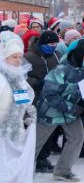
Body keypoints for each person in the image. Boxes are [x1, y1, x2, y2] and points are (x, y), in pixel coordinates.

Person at [35, 39, 84, 182]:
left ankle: (63, 170)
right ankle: (17, 173)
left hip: (71, 112)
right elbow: (49, 94)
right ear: (80, 55)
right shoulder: (61, 70)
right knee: (35, 143)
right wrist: (70, 108)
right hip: (51, 112)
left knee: (77, 137)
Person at [0, 32, 37, 183]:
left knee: (16, 162)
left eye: (19, 56)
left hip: (17, 129)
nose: (17, 60)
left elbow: (25, 98)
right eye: (13, 57)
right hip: (2, 128)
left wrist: (27, 112)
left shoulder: (19, 77)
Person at [24, 30, 61, 172]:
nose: (53, 47)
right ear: (43, 43)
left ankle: (43, 158)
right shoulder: (29, 56)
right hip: (36, 97)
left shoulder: (56, 56)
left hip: (52, 98)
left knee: (48, 130)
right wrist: (36, 82)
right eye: (50, 44)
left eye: (55, 44)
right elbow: (23, 76)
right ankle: (32, 158)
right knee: (36, 131)